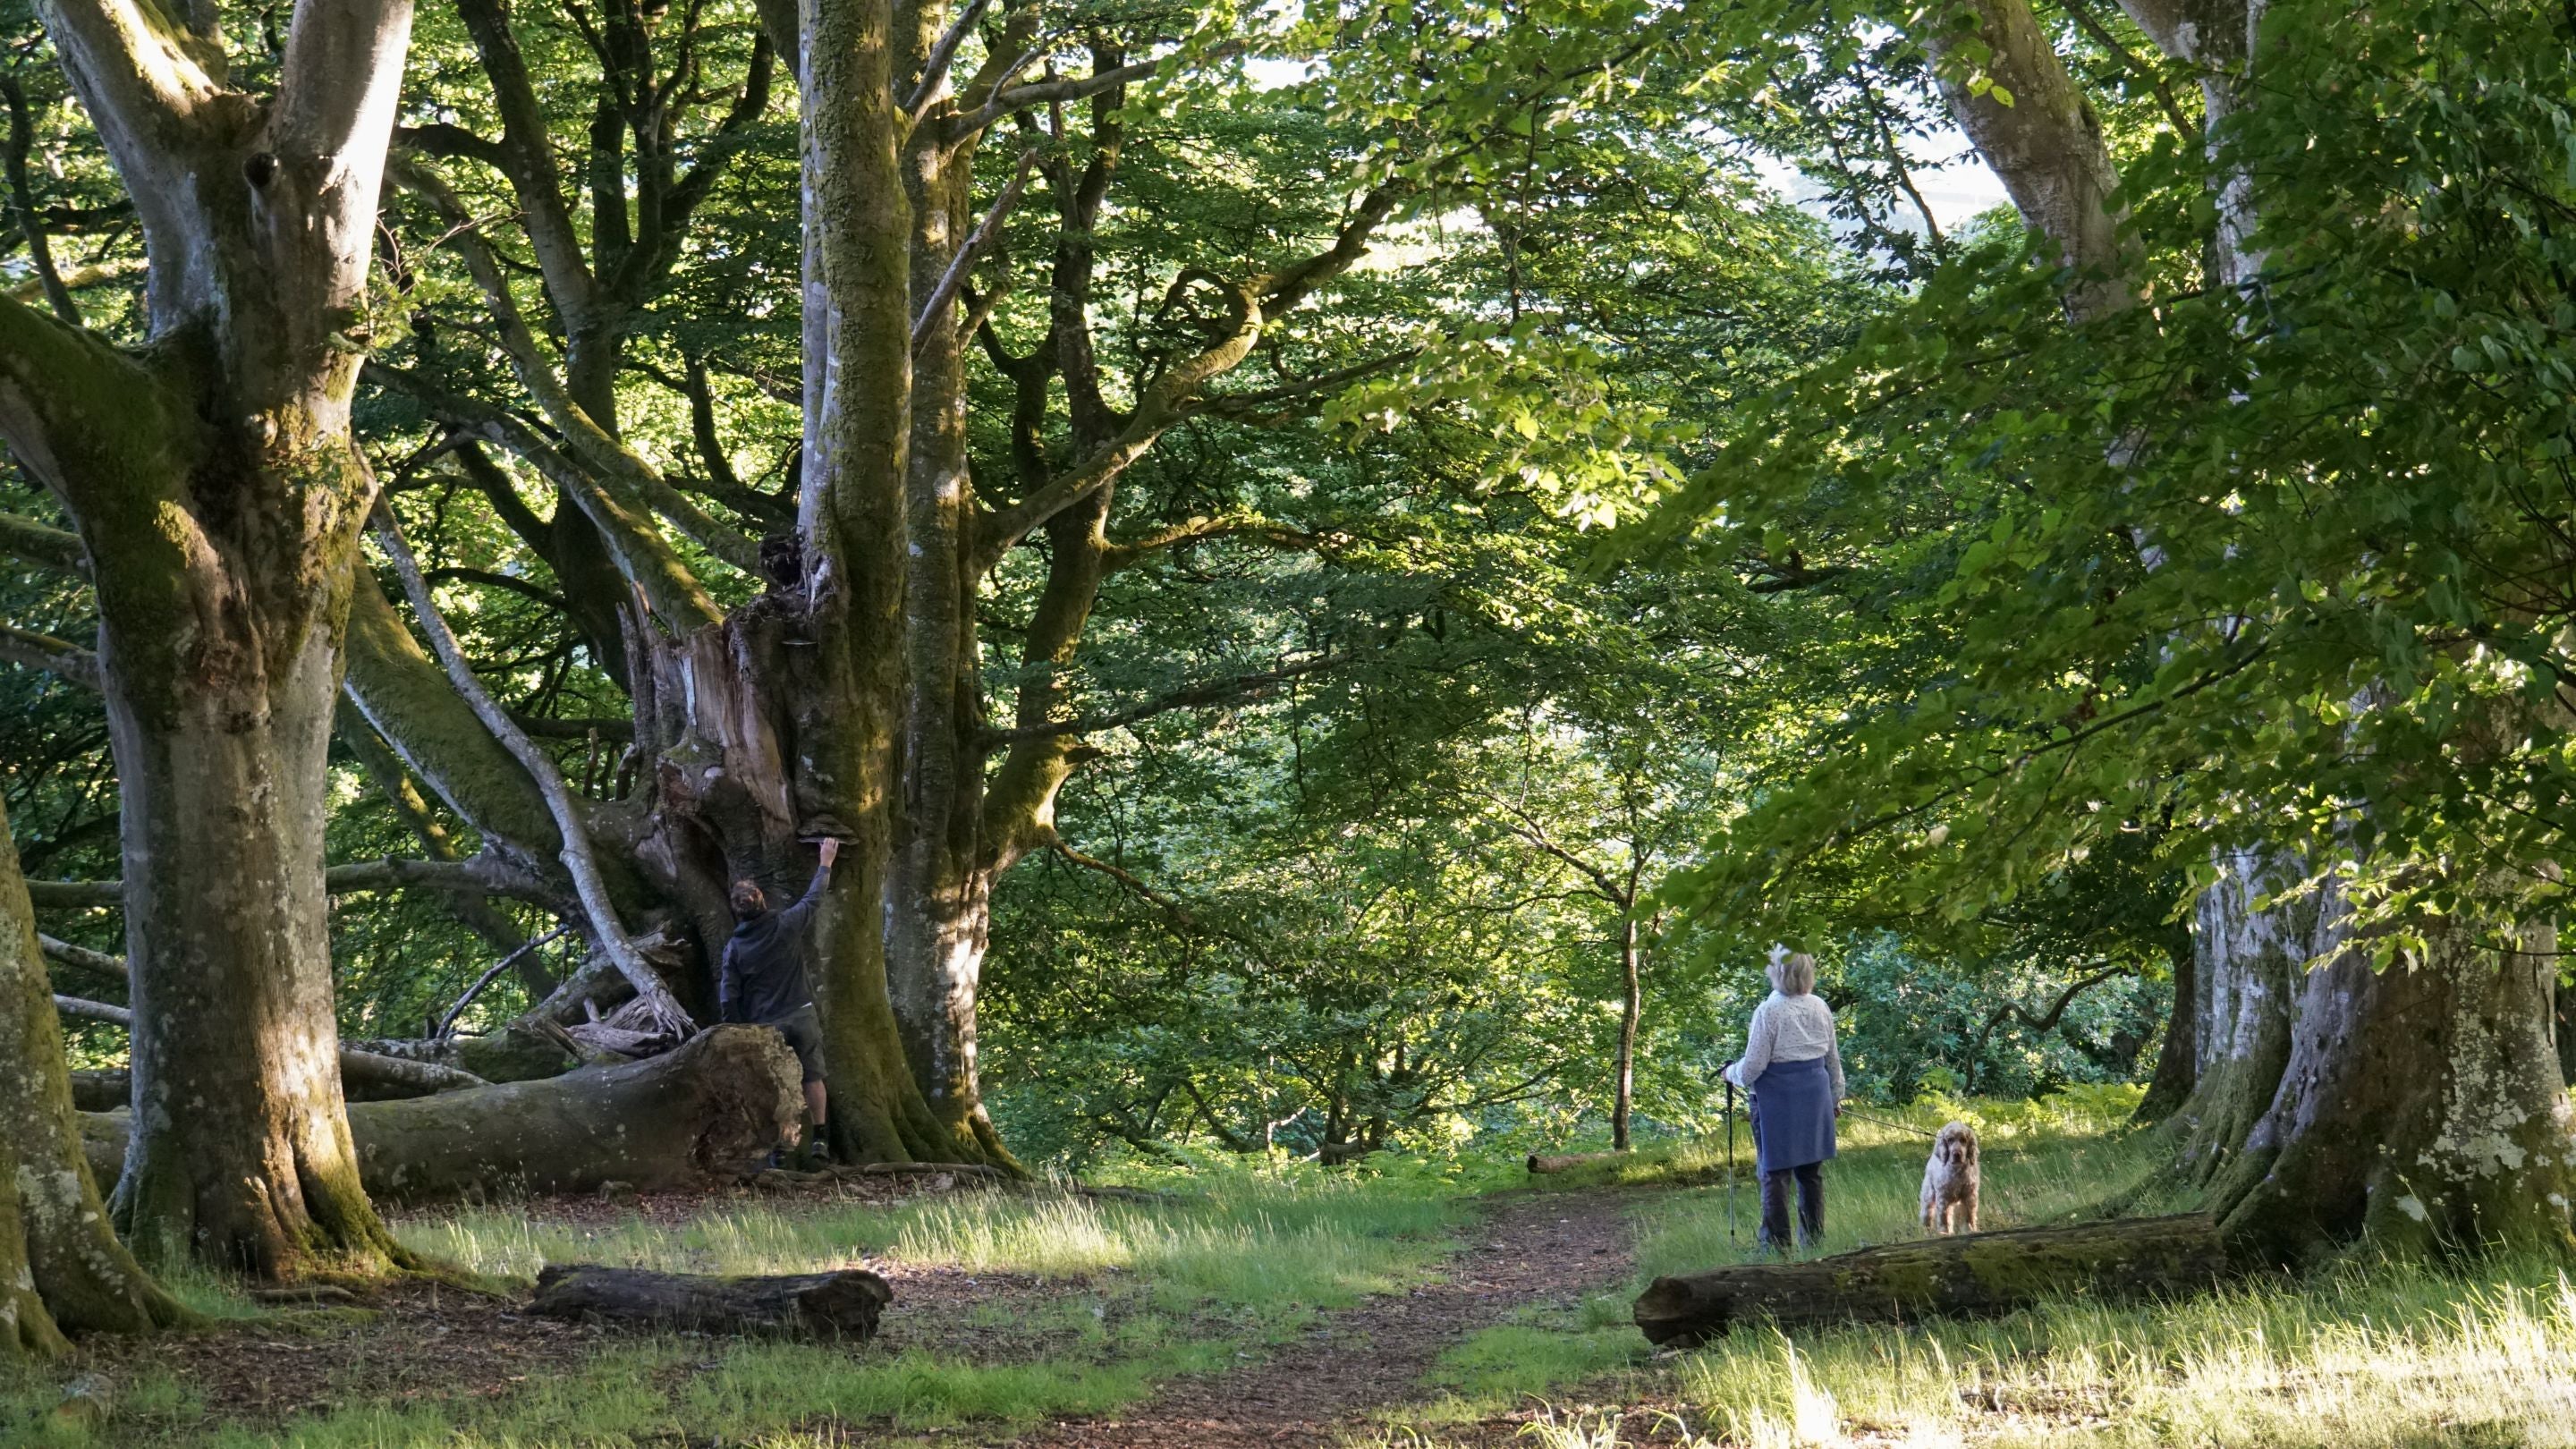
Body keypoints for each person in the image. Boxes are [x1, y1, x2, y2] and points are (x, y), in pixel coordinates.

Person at [720, 838, 838, 1167]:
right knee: (812, 1075)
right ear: (763, 902)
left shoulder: (735, 949)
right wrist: (826, 860)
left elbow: (729, 995)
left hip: (766, 1024)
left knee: (776, 1082)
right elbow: (814, 898)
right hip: (801, 1014)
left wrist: (739, 1028)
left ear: (737, 910)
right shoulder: (785, 925)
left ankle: (779, 1148)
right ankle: (819, 1138)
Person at [1724, 949, 1844, 1250]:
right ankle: (1813, 1242)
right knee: (1810, 1173)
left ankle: (1776, 1247)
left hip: (1776, 1100)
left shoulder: (1768, 1011)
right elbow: (1833, 1061)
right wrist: (1834, 1099)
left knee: (1774, 1173)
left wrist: (1729, 1073)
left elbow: (1752, 1068)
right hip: (1815, 1097)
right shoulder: (1820, 1007)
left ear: (1776, 972)